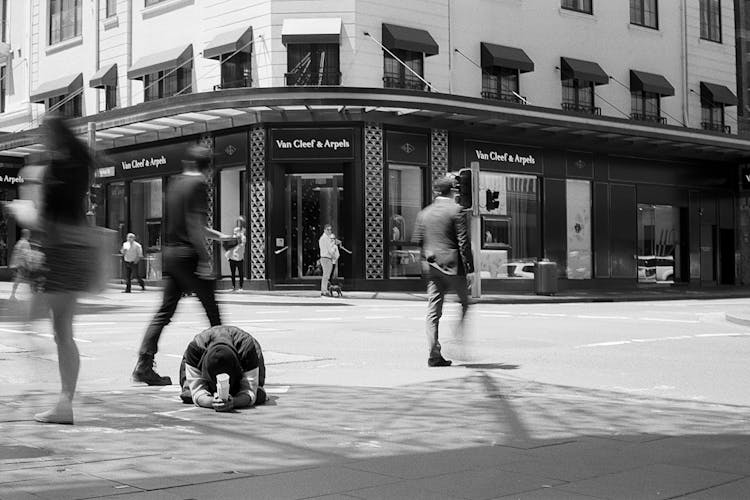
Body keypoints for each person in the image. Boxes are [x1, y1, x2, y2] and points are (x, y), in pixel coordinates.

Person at [6, 116, 97, 424]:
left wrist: (21, 211)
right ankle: (64, 400)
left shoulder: (52, 172)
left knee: (57, 331)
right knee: (64, 332)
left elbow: (44, 222)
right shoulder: (80, 167)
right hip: (79, 252)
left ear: (54, 137)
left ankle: (63, 402)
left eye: (45, 134)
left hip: (59, 254)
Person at [132, 144, 232, 386]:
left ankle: (144, 364)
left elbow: (189, 223)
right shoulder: (198, 184)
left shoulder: (175, 185)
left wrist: (220, 237)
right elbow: (194, 225)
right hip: (188, 255)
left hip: (171, 254)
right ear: (208, 168)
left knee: (164, 312)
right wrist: (205, 258)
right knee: (212, 310)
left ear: (188, 163)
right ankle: (227, 364)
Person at [412, 176, 474, 367]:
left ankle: (434, 353)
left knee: (433, 311)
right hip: (454, 268)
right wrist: (470, 270)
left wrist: (425, 261)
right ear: (452, 191)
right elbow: (463, 242)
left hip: (433, 267)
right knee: (464, 303)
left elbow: (418, 240)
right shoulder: (457, 211)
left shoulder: (424, 213)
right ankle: (457, 339)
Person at [178, 325, 266, 411]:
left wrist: (235, 401)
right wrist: (210, 401)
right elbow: (197, 391)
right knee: (188, 394)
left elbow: (249, 391)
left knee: (258, 395)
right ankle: (213, 389)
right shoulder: (195, 348)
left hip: (245, 354)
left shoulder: (247, 348)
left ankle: (234, 389)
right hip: (200, 356)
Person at [9, 228, 32, 300]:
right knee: (26, 279)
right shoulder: (25, 243)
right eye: (29, 234)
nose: (30, 235)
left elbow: (15, 254)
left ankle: (12, 294)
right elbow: (26, 255)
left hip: (18, 265)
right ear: (26, 234)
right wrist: (29, 264)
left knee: (18, 279)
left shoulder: (19, 242)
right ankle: (32, 295)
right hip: (23, 265)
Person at [225, 216, 246, 291]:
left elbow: (242, 244)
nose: (235, 232)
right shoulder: (234, 236)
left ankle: (241, 287)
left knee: (241, 273)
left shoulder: (243, 236)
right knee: (232, 273)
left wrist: (239, 237)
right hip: (232, 257)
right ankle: (233, 286)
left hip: (239, 257)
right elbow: (230, 246)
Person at [318, 224, 337, 296]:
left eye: (330, 229)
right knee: (326, 275)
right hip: (326, 258)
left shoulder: (324, 238)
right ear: (324, 230)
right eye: (328, 229)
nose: (329, 231)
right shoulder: (325, 238)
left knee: (326, 275)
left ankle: (324, 290)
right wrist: (333, 256)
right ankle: (324, 291)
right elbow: (329, 249)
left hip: (325, 258)